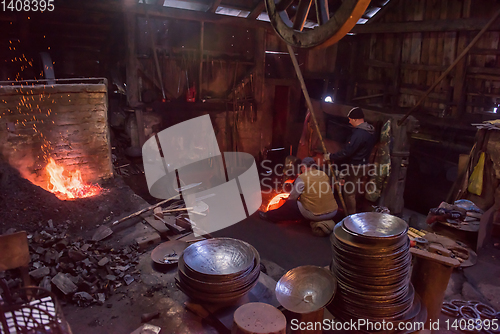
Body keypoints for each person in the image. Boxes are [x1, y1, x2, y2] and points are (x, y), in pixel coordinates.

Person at [259, 157, 338, 236]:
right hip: (332, 211)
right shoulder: (324, 175)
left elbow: (292, 197)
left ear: (303, 167)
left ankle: (269, 215)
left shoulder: (302, 177)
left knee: (290, 205)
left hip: (315, 214)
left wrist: (286, 201)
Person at [324, 107, 375, 215]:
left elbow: (347, 151)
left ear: (356, 119)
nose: (349, 121)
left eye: (350, 119)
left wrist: (331, 156)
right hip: (364, 165)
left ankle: (350, 216)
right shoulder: (369, 131)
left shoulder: (359, 134)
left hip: (355, 167)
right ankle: (354, 212)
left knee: (349, 193)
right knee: (355, 189)